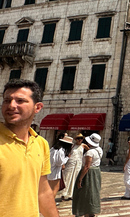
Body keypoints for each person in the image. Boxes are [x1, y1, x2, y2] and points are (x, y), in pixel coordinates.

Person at [0, 79, 59, 216]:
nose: (11, 105)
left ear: (37, 107)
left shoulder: (41, 144)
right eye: (7, 100)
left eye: (20, 101)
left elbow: (43, 192)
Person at [72, 133, 104, 217]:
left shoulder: (90, 152)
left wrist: (80, 179)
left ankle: (84, 212)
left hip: (89, 173)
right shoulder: (99, 149)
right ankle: (91, 212)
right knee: (93, 192)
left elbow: (86, 166)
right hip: (96, 172)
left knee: (84, 192)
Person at [62, 133, 89, 201]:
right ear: (76, 139)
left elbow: (89, 151)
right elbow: (67, 152)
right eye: (78, 138)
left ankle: (71, 194)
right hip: (71, 162)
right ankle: (64, 193)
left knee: (75, 177)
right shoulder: (72, 145)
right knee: (67, 177)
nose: (80, 140)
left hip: (78, 163)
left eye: (81, 138)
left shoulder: (83, 145)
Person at [48, 135, 73, 201]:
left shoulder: (53, 149)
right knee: (55, 188)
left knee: (50, 188)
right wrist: (67, 158)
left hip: (50, 169)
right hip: (55, 171)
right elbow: (59, 163)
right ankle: (50, 203)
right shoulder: (61, 151)